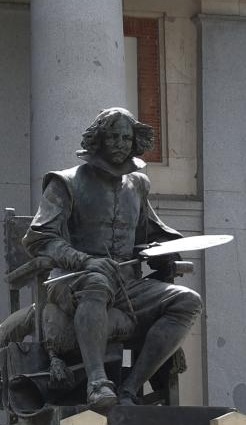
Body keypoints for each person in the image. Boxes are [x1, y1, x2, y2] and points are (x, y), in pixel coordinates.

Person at [22, 106, 202, 408]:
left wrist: (167, 252)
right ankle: (97, 382)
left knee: (188, 301)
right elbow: (39, 238)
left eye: (126, 137)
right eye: (113, 136)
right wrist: (84, 261)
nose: (120, 143)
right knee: (96, 281)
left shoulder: (138, 184)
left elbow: (151, 232)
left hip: (127, 285)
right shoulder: (65, 182)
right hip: (73, 280)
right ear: (98, 140)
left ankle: (130, 389)